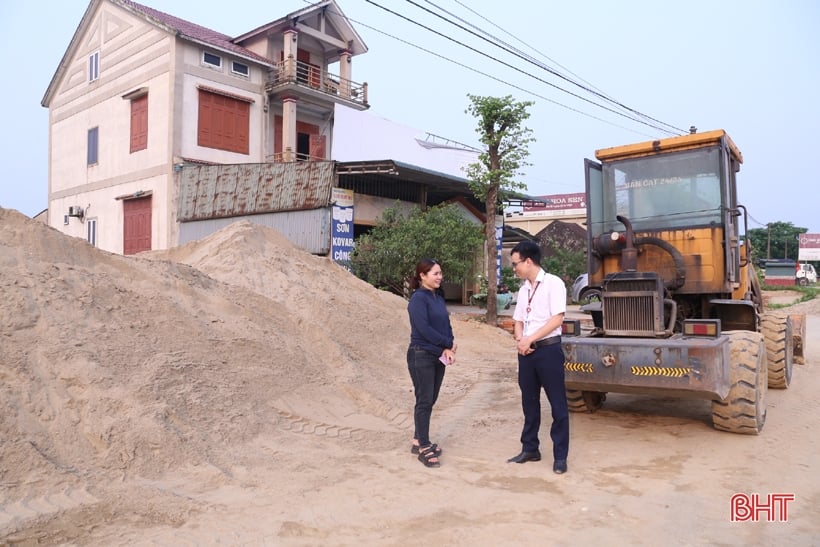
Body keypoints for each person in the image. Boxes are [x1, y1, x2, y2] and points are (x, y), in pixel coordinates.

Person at [506, 240, 569, 474]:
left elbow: (557, 319)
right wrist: (521, 340)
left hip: (548, 351)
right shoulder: (524, 289)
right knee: (529, 402)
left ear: (529, 261)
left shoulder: (554, 284)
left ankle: (560, 456)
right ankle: (530, 448)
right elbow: (518, 319)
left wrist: (530, 339)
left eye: (516, 264)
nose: (515, 269)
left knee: (558, 405)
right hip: (527, 353)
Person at [406, 258, 457, 468]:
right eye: (435, 274)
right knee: (424, 400)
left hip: (437, 355)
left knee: (431, 398)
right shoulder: (418, 299)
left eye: (440, 273)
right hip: (421, 355)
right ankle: (424, 446)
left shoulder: (437, 297)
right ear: (422, 276)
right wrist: (447, 344)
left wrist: (450, 343)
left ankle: (418, 439)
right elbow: (423, 329)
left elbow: (445, 324)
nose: (440, 277)